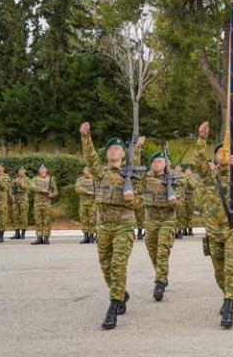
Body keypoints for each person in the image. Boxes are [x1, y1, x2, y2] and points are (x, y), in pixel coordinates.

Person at [192, 121, 233, 329]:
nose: (224, 155)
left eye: (227, 152)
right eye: (220, 152)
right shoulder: (208, 176)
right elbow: (197, 159)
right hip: (214, 231)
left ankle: (229, 305)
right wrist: (202, 137)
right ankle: (229, 294)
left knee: (231, 268)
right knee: (219, 272)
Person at [81, 121, 144, 330]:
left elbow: (141, 202)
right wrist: (85, 137)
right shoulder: (100, 173)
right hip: (104, 225)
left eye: (117, 148)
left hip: (124, 226)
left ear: (124, 154)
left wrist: (130, 199)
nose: (113, 150)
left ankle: (113, 306)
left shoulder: (132, 174)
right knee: (105, 266)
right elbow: (90, 157)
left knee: (118, 265)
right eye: (110, 148)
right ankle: (122, 293)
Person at [140, 151, 180, 301]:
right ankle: (161, 273)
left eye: (160, 161)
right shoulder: (145, 178)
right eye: (154, 161)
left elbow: (181, 200)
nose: (157, 164)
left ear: (166, 164)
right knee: (152, 250)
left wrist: (175, 201)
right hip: (150, 219)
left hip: (167, 219)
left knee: (163, 249)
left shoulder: (174, 179)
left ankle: (160, 282)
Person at [27, 164, 58, 245]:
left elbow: (55, 191)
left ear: (46, 170)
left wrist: (52, 194)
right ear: (38, 171)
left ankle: (46, 238)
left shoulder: (51, 179)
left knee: (47, 221)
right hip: (37, 203)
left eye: (44, 168)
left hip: (47, 203)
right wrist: (42, 190)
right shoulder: (35, 179)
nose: (43, 170)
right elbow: (32, 187)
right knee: (38, 221)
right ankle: (39, 238)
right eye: (41, 168)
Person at [76, 166, 98, 244]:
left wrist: (96, 194)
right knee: (84, 220)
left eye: (87, 170)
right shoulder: (80, 180)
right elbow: (78, 189)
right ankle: (86, 236)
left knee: (92, 220)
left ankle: (92, 236)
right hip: (83, 203)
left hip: (93, 203)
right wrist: (87, 192)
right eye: (85, 170)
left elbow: (99, 189)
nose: (86, 171)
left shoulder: (95, 179)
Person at [9, 167, 30, 240]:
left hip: (23, 199)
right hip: (15, 199)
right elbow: (10, 189)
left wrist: (19, 183)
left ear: (25, 171)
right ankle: (17, 233)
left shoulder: (26, 179)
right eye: (19, 170)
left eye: (22, 170)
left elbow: (27, 188)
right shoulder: (15, 179)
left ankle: (23, 233)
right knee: (15, 216)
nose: (20, 172)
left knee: (23, 216)